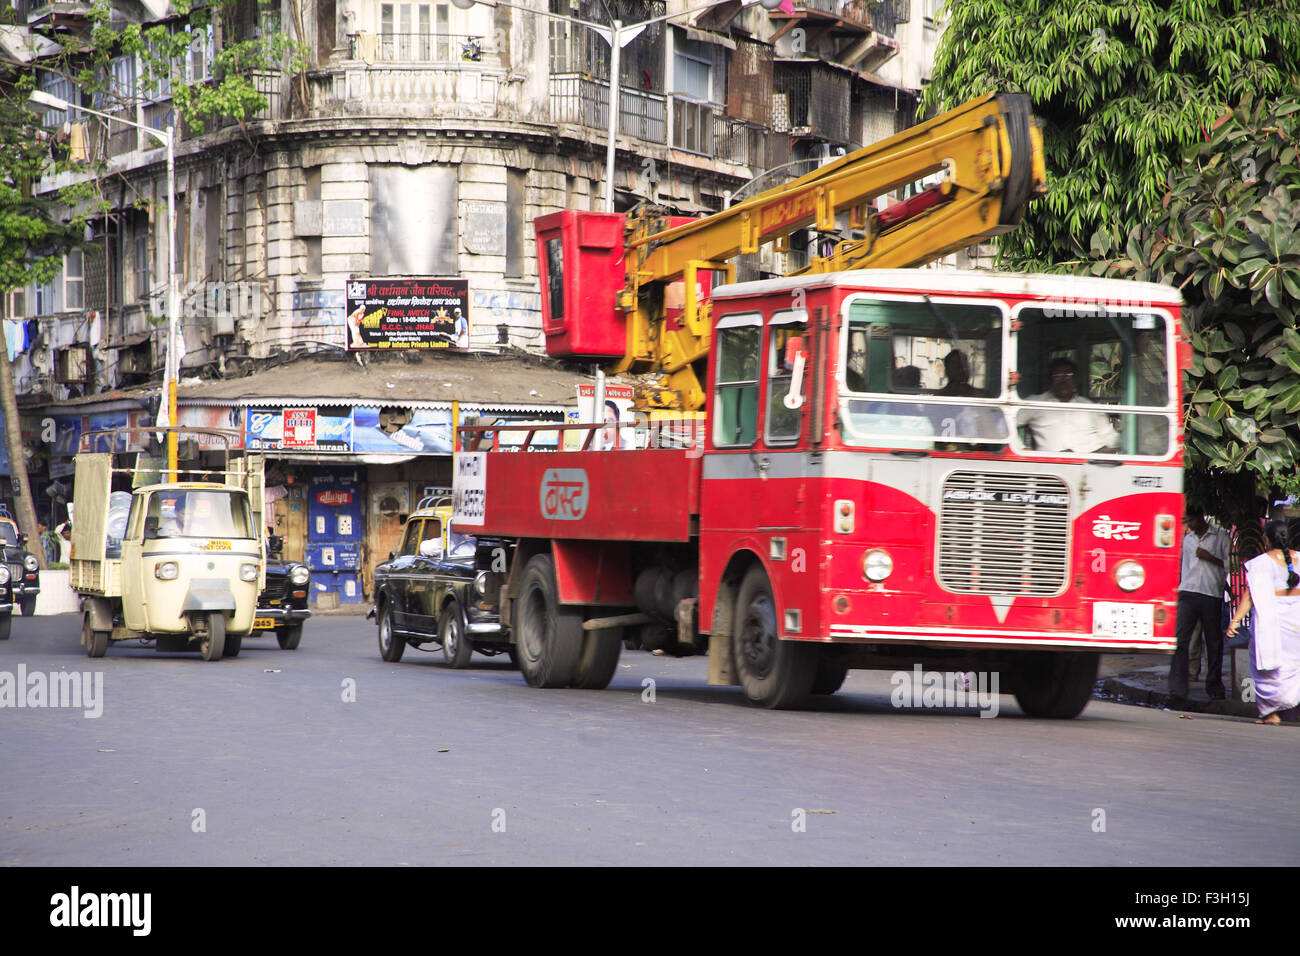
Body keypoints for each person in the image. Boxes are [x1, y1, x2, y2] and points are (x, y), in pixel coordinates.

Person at [1227, 521, 1300, 724]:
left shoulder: (1262, 563)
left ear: (1266, 540)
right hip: (1296, 625)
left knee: (1267, 670)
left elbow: (1250, 596)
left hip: (1272, 626)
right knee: (1293, 668)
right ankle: (1289, 709)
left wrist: (1235, 620)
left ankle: (1271, 713)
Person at [1168, 512, 1230, 701]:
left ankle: (1214, 686)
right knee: (1181, 640)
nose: (1189, 524)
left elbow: (1230, 565)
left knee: (1213, 642)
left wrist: (1210, 557)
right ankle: (1177, 689)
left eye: (1192, 520)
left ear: (1200, 518)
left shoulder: (1220, 537)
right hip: (1188, 592)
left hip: (1211, 593)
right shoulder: (1188, 540)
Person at [1020, 357, 1119, 453]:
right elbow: (1007, 422)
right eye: (1057, 376)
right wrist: (1021, 450)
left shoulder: (1089, 407)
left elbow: (1111, 439)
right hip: (1050, 465)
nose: (1063, 381)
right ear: (1050, 381)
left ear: (1075, 380)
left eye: (1068, 375)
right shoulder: (1036, 403)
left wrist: (1098, 454)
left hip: (1089, 462)